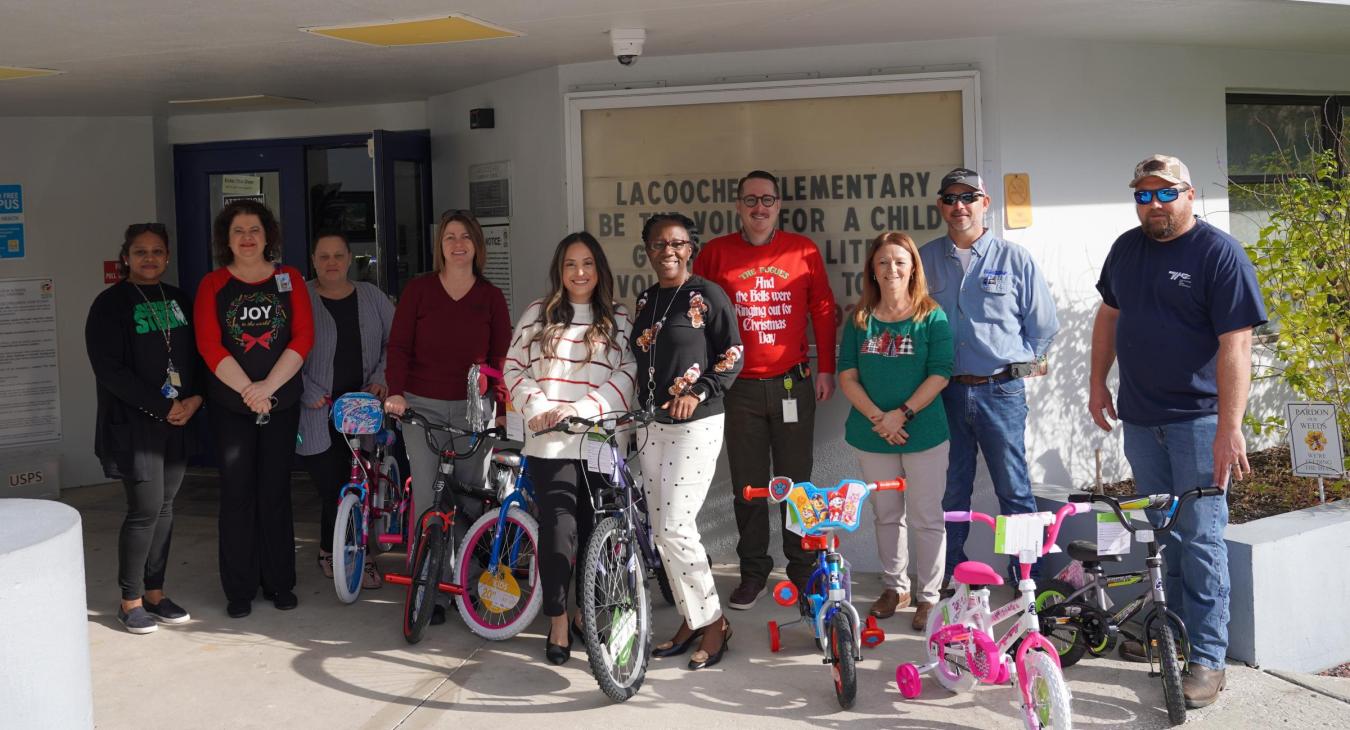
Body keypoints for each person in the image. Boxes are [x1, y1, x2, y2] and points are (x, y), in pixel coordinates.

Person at [1089, 154, 1266, 708]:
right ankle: (1170, 631)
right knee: (1161, 536)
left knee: (1204, 540)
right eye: (1143, 195)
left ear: (1189, 195)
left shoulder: (1218, 253)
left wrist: (1229, 428)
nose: (1154, 204)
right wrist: (1098, 384)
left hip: (1200, 423)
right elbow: (1109, 317)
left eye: (1165, 193)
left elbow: (1237, 344)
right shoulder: (1126, 248)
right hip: (1142, 421)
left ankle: (1209, 659)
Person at [693, 170, 838, 610]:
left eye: (768, 200)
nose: (759, 207)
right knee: (748, 486)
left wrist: (826, 369)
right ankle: (753, 570)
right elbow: (696, 316)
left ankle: (802, 568)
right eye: (751, 200)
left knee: (798, 485)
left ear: (779, 205)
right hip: (738, 389)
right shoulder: (716, 254)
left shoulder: (803, 250)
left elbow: (825, 310)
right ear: (738, 205)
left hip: (793, 383)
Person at [917, 168, 1059, 584]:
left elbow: (1044, 325)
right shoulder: (924, 259)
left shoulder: (1015, 259)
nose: (959, 206)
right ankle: (950, 578)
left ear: (985, 203)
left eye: (968, 197)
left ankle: (1026, 581)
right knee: (951, 492)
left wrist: (1017, 366)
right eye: (950, 199)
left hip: (1001, 392)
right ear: (941, 206)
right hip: (943, 395)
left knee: (1014, 490)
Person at [504, 232, 636, 665]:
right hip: (551, 444)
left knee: (598, 532)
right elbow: (514, 369)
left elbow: (628, 374)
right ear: (559, 272)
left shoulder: (618, 318)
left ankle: (586, 612)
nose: (579, 273)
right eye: (570, 265)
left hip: (598, 441)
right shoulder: (537, 315)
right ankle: (558, 618)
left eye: (587, 264)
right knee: (559, 533)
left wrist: (582, 408)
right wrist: (540, 406)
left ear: (599, 270)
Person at [383, 210, 510, 625]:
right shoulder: (420, 290)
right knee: (428, 496)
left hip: (474, 409)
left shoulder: (490, 297)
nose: (457, 244)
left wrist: (503, 407)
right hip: (422, 406)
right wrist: (397, 392)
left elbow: (502, 358)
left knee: (469, 497)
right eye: (449, 237)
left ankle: (466, 584)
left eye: (465, 237)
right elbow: (399, 346)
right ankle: (428, 589)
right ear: (440, 245)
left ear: (477, 244)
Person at [194, 200, 313, 618]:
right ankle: (239, 588)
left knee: (275, 492)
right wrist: (249, 391)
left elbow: (302, 338)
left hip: (281, 404)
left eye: (254, 230)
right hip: (231, 407)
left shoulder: (289, 278)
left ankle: (279, 582)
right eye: (238, 231)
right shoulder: (212, 285)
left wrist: (268, 388)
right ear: (227, 240)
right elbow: (209, 345)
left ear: (268, 236)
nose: (247, 238)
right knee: (238, 495)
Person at [634, 213, 743, 670]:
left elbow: (734, 353)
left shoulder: (708, 294)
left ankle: (714, 622)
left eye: (677, 243)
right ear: (648, 249)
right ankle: (691, 617)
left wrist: (698, 392)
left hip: (696, 424)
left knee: (677, 526)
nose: (668, 252)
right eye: (659, 244)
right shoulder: (646, 298)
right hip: (650, 426)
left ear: (690, 247)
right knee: (662, 534)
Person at [86, 223, 202, 634]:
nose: (149, 258)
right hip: (135, 425)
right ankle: (129, 600)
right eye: (140, 252)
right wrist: (162, 405)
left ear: (167, 257)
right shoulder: (109, 304)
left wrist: (195, 399)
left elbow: (197, 355)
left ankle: (156, 593)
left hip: (178, 420)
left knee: (167, 508)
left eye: (156, 251)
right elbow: (109, 370)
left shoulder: (178, 299)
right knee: (145, 510)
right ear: (126, 257)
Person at [837, 232, 953, 631]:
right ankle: (896, 587)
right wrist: (879, 418)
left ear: (913, 268)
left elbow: (941, 373)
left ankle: (929, 596)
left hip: (923, 433)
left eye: (900, 262)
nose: (892, 269)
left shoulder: (931, 315)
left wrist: (901, 414)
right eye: (883, 262)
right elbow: (847, 376)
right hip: (874, 435)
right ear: (872, 268)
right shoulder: (859, 319)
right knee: (886, 515)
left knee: (925, 516)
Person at [297, 231, 395, 586]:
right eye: (323, 256)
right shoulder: (300, 298)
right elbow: (283, 352)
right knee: (333, 486)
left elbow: (395, 340)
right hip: (316, 411)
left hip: (363, 410)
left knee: (359, 486)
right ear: (313, 261)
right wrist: (305, 388)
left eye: (338, 255)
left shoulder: (370, 296)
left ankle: (358, 552)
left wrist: (383, 376)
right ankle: (332, 549)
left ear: (350, 258)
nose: (332, 263)